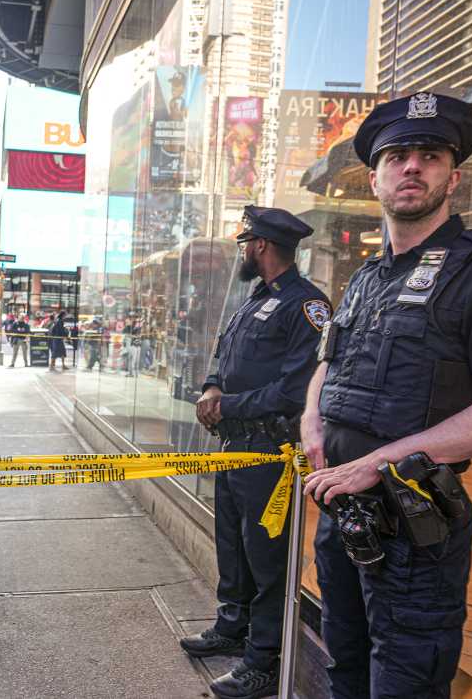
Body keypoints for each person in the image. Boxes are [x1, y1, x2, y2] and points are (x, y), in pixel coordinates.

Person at [300, 93, 472, 699]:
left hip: (413, 517)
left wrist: (374, 463)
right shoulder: (367, 277)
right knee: (345, 659)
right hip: (344, 508)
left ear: (453, 175)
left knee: (406, 674)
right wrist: (312, 420)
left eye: (429, 155)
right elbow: (325, 363)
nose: (411, 166)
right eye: (397, 157)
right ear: (375, 178)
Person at [182, 204, 330, 699]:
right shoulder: (254, 298)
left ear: (261, 246)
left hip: (272, 452)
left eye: (246, 243)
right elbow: (224, 356)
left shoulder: (306, 305)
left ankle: (264, 660)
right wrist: (210, 389)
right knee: (233, 547)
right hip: (235, 448)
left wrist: (227, 407)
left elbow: (296, 389)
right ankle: (232, 628)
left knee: (267, 560)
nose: (243, 251)